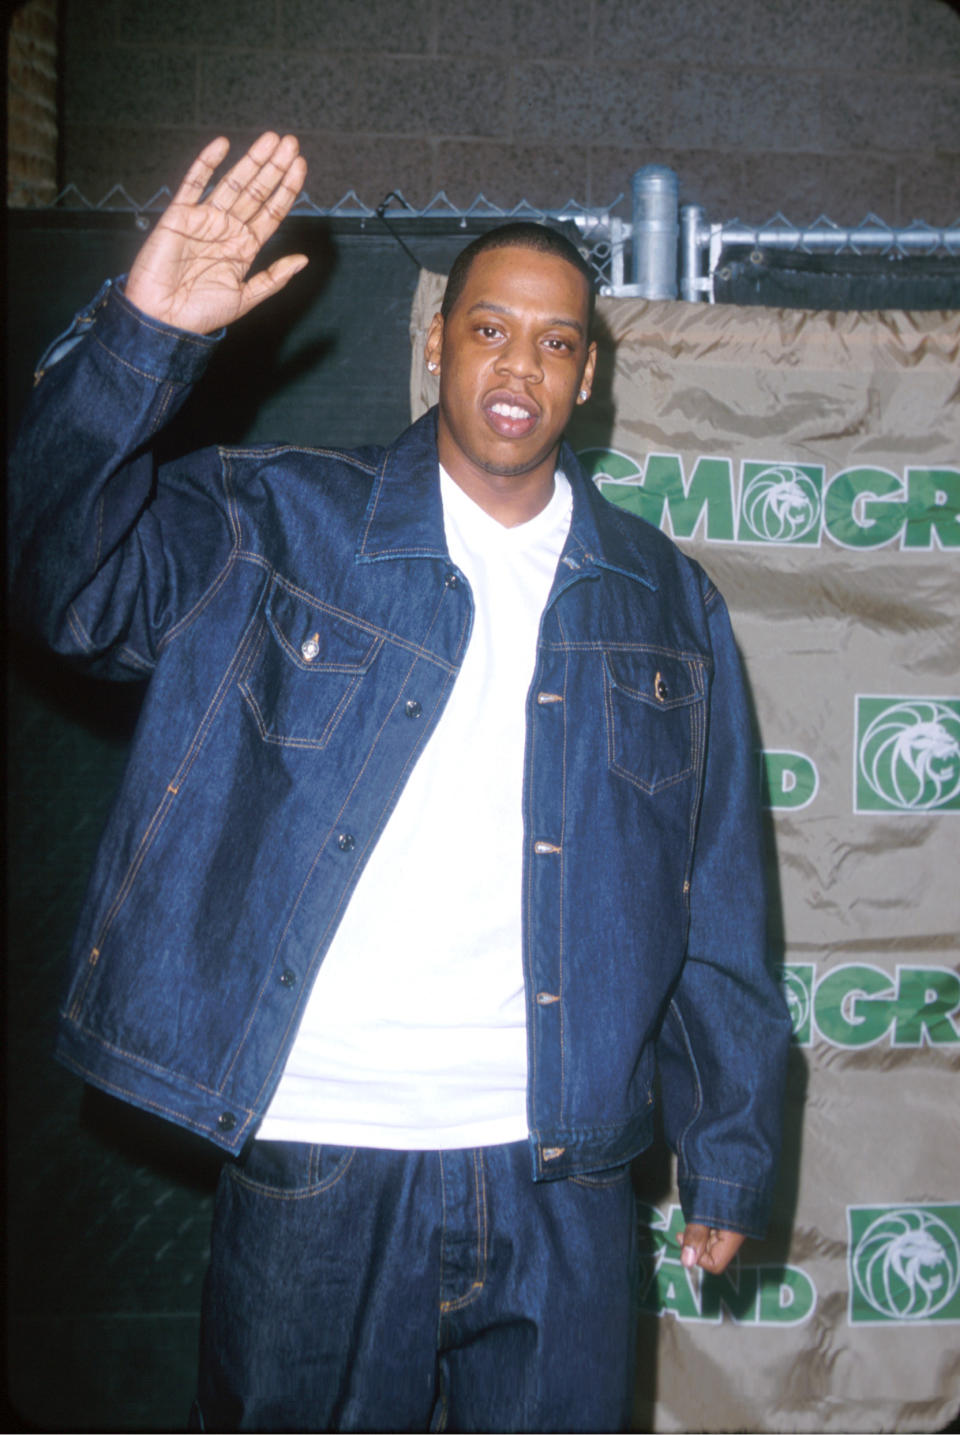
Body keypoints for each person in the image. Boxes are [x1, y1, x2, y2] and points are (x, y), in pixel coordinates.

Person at [9, 132, 791, 1432]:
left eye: (554, 343)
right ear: (438, 344)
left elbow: (717, 900)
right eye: (491, 328)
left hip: (563, 1168)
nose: (518, 366)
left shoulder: (663, 596)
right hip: (323, 1148)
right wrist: (139, 343)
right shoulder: (279, 525)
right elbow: (61, 583)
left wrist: (731, 1147)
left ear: (588, 377)